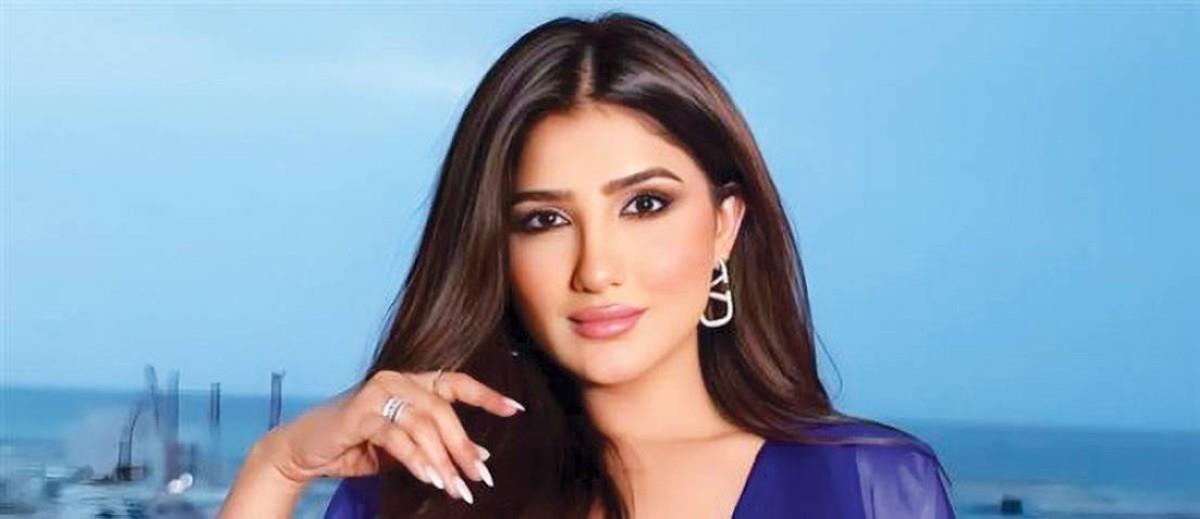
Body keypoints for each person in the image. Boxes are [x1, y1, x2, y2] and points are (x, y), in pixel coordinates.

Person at [218, 11, 957, 519]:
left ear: (725, 225)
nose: (596, 269)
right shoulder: (420, 493)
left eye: (645, 205)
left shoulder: (867, 486)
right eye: (545, 220)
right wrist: (278, 465)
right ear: (497, 251)